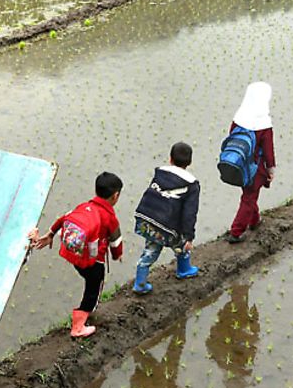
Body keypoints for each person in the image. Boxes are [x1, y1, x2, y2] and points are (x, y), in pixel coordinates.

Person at [30, 172, 124, 338]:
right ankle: (79, 326)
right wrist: (117, 256)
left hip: (75, 257)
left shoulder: (83, 206)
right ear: (115, 196)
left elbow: (64, 218)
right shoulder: (110, 217)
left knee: (88, 279)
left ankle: (83, 316)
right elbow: (116, 243)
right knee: (93, 290)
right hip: (94, 262)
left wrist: (50, 234)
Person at [132, 142, 201, 294]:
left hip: (147, 217)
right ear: (189, 162)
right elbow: (190, 213)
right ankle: (184, 270)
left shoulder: (160, 173)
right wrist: (189, 237)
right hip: (167, 224)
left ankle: (140, 282)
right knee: (181, 245)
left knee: (151, 248)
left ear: (170, 159)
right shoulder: (191, 184)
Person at [227, 81, 276, 243]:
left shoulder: (239, 117)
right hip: (255, 168)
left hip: (238, 164)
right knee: (249, 198)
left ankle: (255, 221)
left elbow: (231, 139)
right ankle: (236, 232)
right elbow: (268, 152)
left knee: (249, 194)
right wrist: (271, 170)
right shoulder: (264, 124)